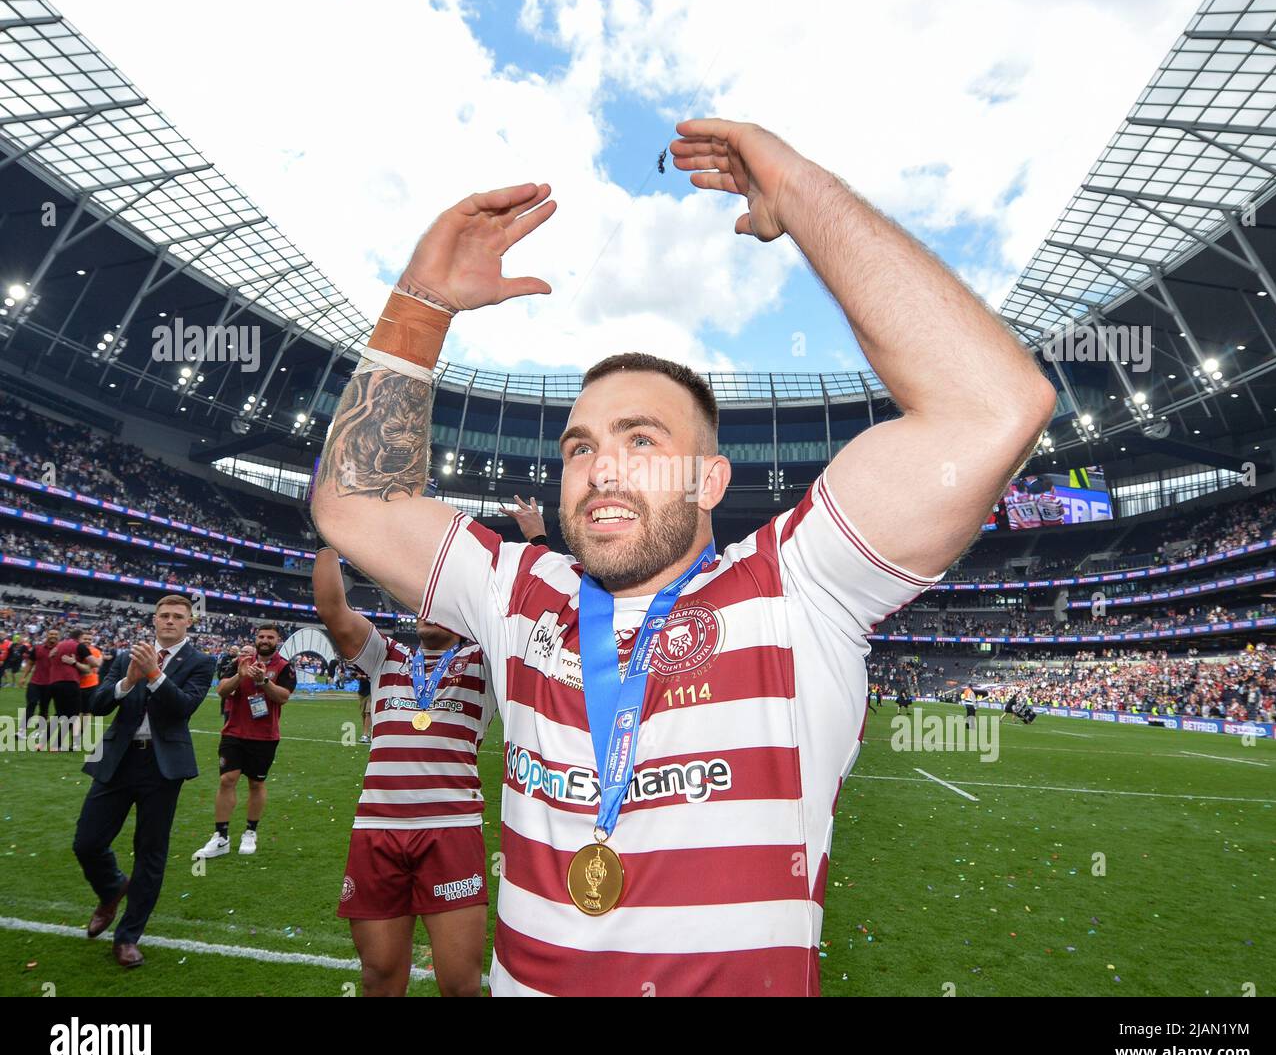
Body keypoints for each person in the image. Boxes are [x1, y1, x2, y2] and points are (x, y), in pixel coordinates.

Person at [310, 118, 1056, 995]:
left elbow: (995, 405)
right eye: (580, 446)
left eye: (640, 439)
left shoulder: (796, 589)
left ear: (710, 480)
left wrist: (802, 190)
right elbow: (353, 502)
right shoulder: (517, 594)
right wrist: (421, 304)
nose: (602, 467)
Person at [313, 548, 497, 997]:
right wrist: (332, 536)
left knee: (460, 986)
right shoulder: (384, 657)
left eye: (442, 602)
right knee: (379, 977)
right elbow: (332, 608)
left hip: (450, 832)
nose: (428, 608)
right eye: (423, 601)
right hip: (377, 832)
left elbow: (529, 618)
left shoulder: (485, 664)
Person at [74, 595, 215, 968]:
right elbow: (98, 704)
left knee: (150, 851)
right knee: (87, 841)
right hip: (118, 757)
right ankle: (111, 888)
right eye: (163, 615)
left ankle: (127, 937)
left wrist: (154, 675)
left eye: (177, 617)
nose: (169, 621)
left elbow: (184, 707)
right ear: (154, 620)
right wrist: (127, 681)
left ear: (189, 623)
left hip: (162, 763)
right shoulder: (125, 656)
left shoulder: (202, 662)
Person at [193, 624, 296, 859]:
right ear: (256, 638)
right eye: (261, 636)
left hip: (264, 736)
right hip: (234, 732)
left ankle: (250, 832)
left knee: (255, 784)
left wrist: (264, 682)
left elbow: (284, 697)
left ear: (277, 640)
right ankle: (221, 836)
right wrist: (240, 676)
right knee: (227, 779)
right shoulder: (240, 661)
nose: (265, 640)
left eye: (270, 637)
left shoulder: (284, 667)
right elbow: (221, 690)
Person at [20, 628, 58, 746]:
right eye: (51, 633)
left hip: (51, 684)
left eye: (55, 634)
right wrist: (23, 677)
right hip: (35, 682)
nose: (53, 636)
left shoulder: (60, 650)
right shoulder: (37, 648)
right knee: (31, 703)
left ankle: (39, 730)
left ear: (59, 636)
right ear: (47, 635)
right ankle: (22, 730)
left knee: (44, 707)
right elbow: (30, 663)